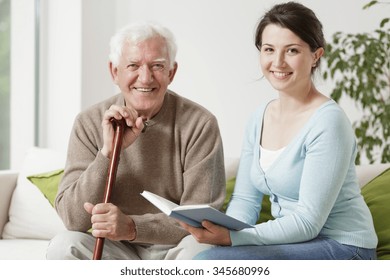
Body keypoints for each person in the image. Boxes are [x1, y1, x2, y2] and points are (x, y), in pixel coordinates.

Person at [180, 2, 378, 260]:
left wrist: (234, 238)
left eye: (292, 50)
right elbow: (244, 201)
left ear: (316, 55)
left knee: (209, 262)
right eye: (269, 49)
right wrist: (223, 232)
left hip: (344, 247)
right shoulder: (258, 118)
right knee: (210, 255)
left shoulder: (329, 122)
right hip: (297, 243)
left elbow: (308, 222)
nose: (278, 62)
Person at [46, 22, 226, 260]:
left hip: (175, 248)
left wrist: (132, 227)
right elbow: (72, 218)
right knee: (63, 246)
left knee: (201, 252)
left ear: (171, 73)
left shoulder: (200, 123)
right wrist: (108, 153)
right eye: (133, 65)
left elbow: (201, 219)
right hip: (113, 247)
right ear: (114, 72)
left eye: (157, 66)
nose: (145, 77)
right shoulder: (89, 122)